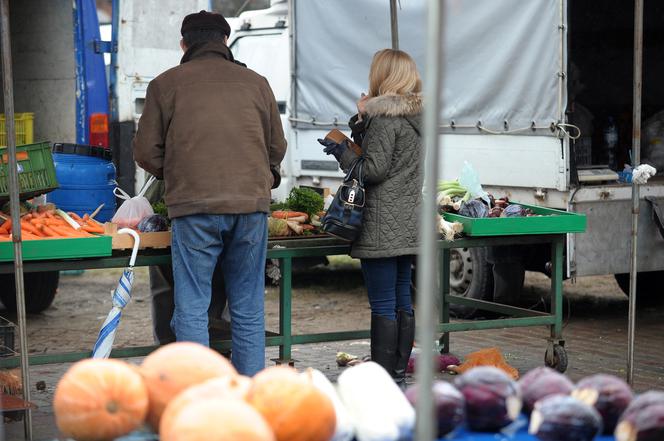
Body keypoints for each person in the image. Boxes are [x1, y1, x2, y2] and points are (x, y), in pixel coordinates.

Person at [133, 10, 287, 376]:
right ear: (225, 42)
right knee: (248, 307)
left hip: (193, 207)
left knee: (191, 306)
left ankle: (198, 395)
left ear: (184, 44)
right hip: (250, 206)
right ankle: (249, 391)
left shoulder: (164, 84)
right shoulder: (257, 83)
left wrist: (177, 173)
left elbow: (144, 153)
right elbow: (276, 147)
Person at [320, 49, 422, 387]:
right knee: (403, 300)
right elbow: (387, 156)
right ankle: (397, 374)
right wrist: (362, 120)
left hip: (381, 222)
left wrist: (341, 150)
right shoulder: (416, 116)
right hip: (408, 220)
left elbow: (373, 169)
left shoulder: (386, 116)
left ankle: (381, 381)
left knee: (382, 304)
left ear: (382, 76)